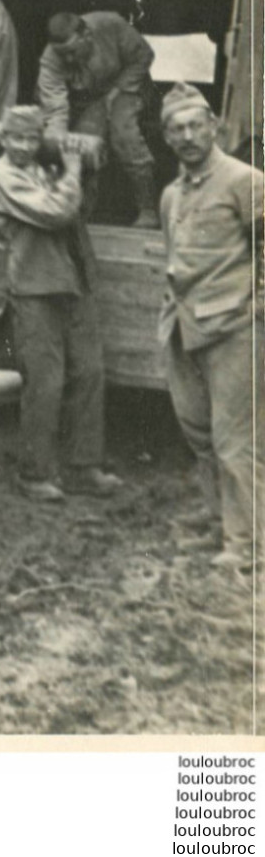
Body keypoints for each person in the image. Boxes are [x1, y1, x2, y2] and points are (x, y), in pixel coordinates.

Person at [0, 106, 122, 502]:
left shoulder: (42, 169)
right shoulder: (4, 177)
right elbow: (58, 212)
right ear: (4, 140)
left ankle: (83, 467)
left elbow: (79, 208)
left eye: (32, 139)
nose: (26, 146)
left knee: (89, 372)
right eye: (17, 139)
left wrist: (80, 172)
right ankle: (33, 473)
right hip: (34, 290)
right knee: (44, 384)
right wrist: (73, 169)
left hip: (70, 283)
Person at [158, 83, 263, 575]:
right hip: (184, 328)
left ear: (214, 127)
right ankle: (221, 521)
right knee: (199, 433)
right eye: (176, 129)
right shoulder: (170, 195)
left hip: (233, 329)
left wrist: (258, 309)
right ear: (166, 137)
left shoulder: (246, 181)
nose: (188, 136)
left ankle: (244, 541)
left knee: (233, 438)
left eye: (196, 125)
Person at [36, 11, 161, 228]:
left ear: (87, 36)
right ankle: (80, 212)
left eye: (72, 52)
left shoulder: (111, 25)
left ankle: (148, 208)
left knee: (124, 132)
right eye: (62, 54)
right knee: (83, 141)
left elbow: (143, 56)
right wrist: (57, 141)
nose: (68, 59)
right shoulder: (51, 60)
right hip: (94, 100)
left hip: (129, 85)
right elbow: (55, 107)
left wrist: (118, 89)